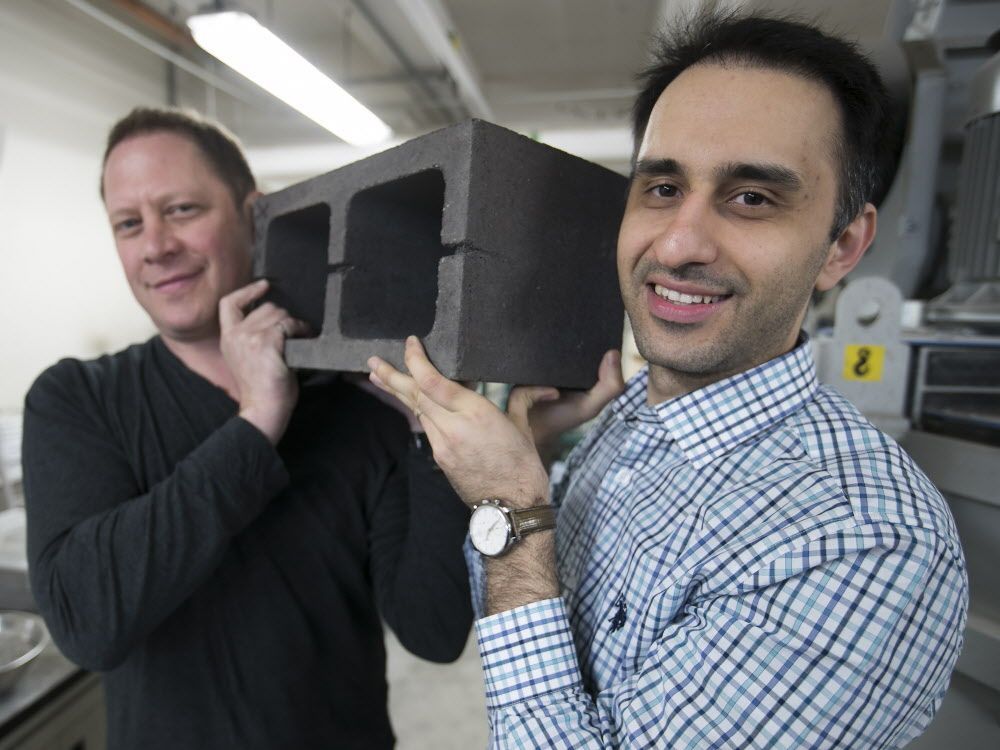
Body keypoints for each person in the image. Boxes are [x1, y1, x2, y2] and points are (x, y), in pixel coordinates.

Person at [368, 11, 968, 749]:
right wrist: (528, 467)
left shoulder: (866, 542)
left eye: (752, 197)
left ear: (842, 246)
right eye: (660, 188)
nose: (679, 244)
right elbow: (511, 620)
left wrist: (515, 510)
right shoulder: (627, 421)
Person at [22, 107, 472, 750]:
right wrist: (257, 421)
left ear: (253, 213)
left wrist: (433, 432)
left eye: (181, 209)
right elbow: (88, 623)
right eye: (129, 224)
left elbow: (434, 630)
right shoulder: (77, 401)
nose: (155, 245)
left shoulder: (355, 406)